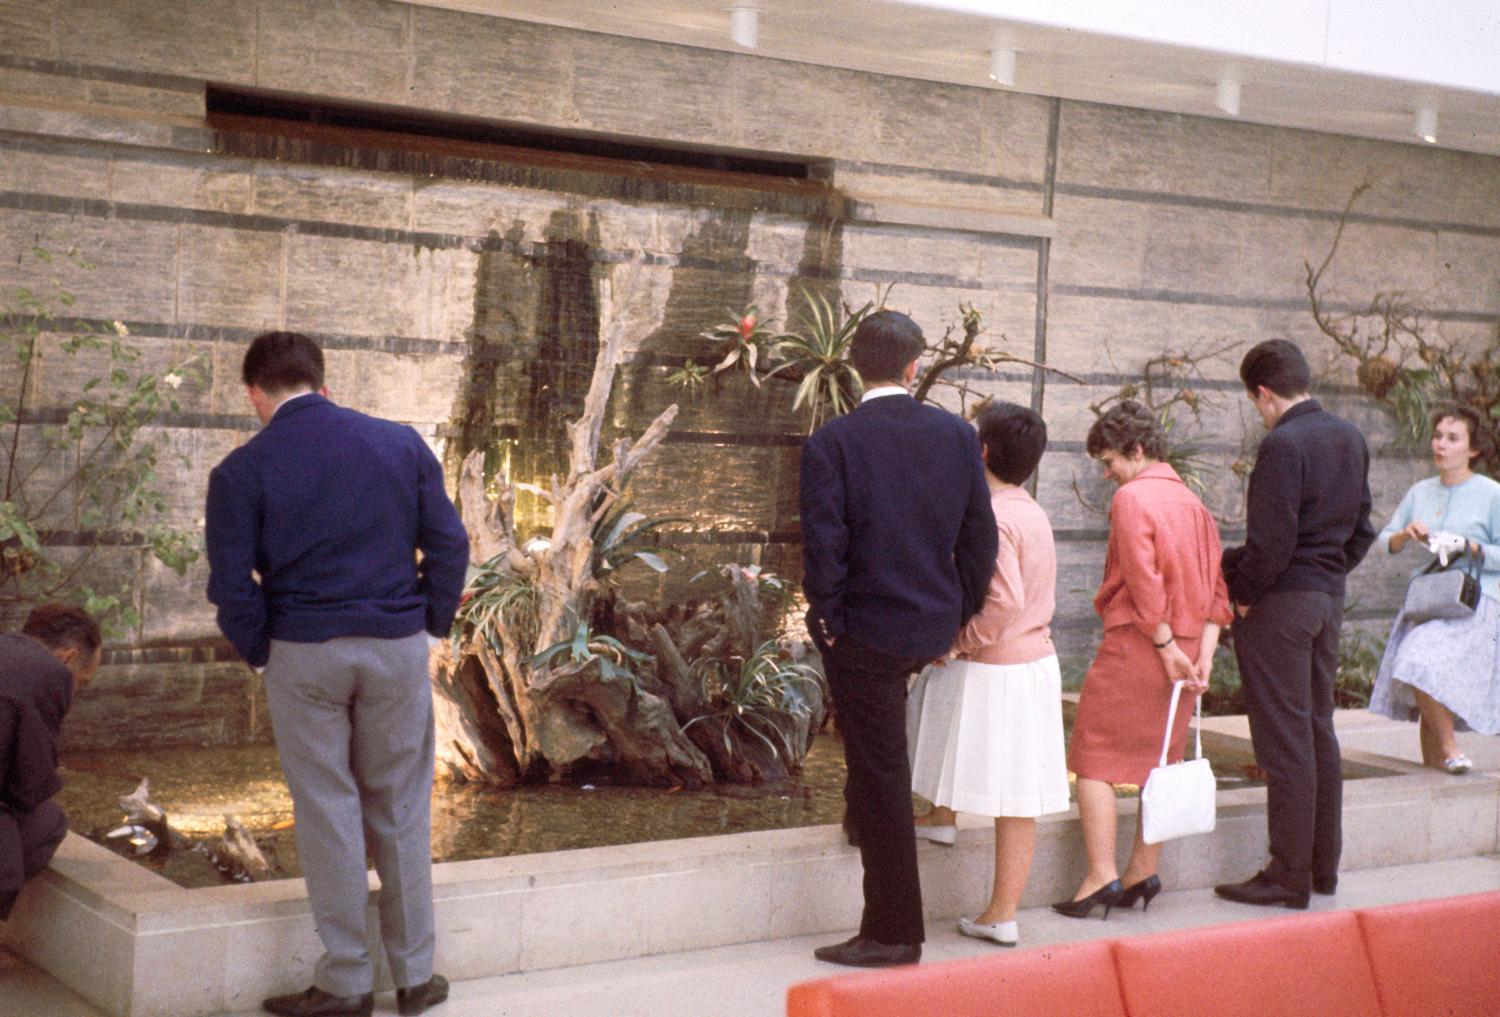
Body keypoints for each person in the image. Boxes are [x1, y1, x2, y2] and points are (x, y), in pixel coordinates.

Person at [206, 332, 469, 1017]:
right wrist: (431, 625)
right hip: (395, 644)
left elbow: (233, 585)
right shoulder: (399, 443)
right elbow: (449, 541)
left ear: (255, 395)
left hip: (303, 648)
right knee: (402, 805)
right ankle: (415, 977)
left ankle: (347, 979)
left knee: (327, 808)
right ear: (323, 383)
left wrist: (263, 649)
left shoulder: (240, 470)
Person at [800, 309, 997, 968]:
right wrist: (956, 614)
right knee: (875, 763)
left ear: (856, 367)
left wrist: (826, 620)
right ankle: (861, 827)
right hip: (928, 623)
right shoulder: (955, 435)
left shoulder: (833, 441)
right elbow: (979, 537)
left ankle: (893, 932)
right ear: (915, 367)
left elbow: (825, 548)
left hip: (865, 633)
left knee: (883, 773)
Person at [1216, 339, 1375, 910]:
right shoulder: (1349, 437)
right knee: (1317, 732)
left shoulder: (1283, 445)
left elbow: (1271, 544)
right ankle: (1320, 870)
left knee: (1284, 742)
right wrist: (1327, 574)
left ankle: (1287, 875)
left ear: (1263, 393)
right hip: (1326, 600)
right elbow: (1362, 529)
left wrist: (1242, 594)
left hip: (1281, 605)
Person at [1056, 401, 1230, 920]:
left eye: (1109, 461)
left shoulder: (1134, 498)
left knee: (1091, 757)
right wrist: (1202, 654)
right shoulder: (1194, 504)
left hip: (1143, 644)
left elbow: (1142, 578)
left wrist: (1162, 645)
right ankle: (1140, 872)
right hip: (1189, 651)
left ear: (1136, 450)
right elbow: (1219, 590)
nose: (1107, 474)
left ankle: (1100, 875)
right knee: (1162, 760)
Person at [907, 402, 1069, 948]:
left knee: (1013, 795)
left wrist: (952, 642)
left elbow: (1000, 607)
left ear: (979, 452)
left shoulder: (994, 516)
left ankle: (1001, 913)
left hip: (1003, 666)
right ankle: (941, 814)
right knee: (1011, 787)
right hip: (1034, 662)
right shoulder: (1031, 510)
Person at [1368, 404, 1500, 773]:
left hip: (1474, 603)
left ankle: (1451, 749)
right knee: (1426, 678)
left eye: (1453, 438)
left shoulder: (1491, 494)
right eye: (1438, 436)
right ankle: (1436, 776)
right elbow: (1385, 541)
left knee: (1419, 661)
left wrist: (1469, 547)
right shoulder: (1420, 491)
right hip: (1429, 601)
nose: (1441, 444)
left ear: (1473, 449)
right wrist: (1404, 535)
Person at [0, 603, 101, 922]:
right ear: (68, 657)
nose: (74, 693)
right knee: (48, 820)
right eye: (81, 683)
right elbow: (30, 787)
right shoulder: (51, 673)